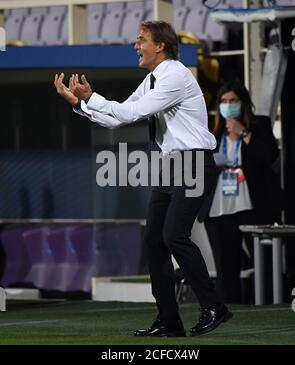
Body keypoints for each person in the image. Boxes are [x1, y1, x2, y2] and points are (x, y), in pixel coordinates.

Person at [54, 20, 232, 337]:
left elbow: (129, 115)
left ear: (160, 45)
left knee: (174, 235)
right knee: (154, 241)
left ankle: (214, 306)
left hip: (192, 161)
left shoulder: (175, 75)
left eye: (141, 40)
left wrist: (92, 98)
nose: (136, 45)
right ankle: (169, 320)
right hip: (171, 165)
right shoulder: (153, 78)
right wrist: (80, 104)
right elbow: (119, 116)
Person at [204, 79, 284, 303]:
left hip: (254, 205)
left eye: (233, 100)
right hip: (219, 207)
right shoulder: (212, 130)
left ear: (243, 103)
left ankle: (266, 307)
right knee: (225, 269)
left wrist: (244, 133)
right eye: (224, 101)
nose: (228, 105)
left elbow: (269, 156)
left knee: (264, 265)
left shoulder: (260, 124)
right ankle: (228, 312)